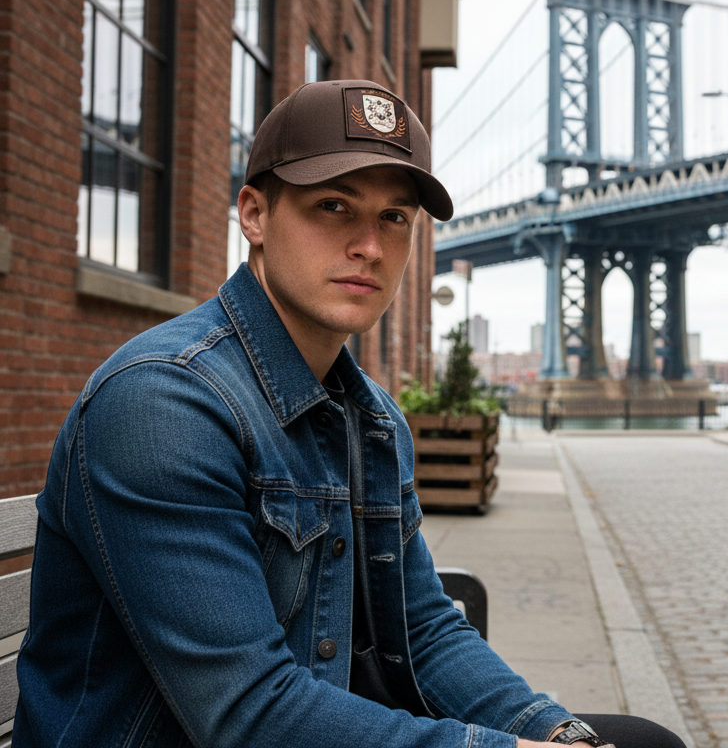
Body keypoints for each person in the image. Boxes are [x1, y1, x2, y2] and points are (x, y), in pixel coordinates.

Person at [14, 80, 685, 748]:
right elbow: (249, 714)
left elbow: (423, 629)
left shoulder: (372, 419)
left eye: (395, 217)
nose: (370, 245)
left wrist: (558, 734)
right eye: (333, 206)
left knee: (639, 742)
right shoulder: (163, 403)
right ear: (253, 214)